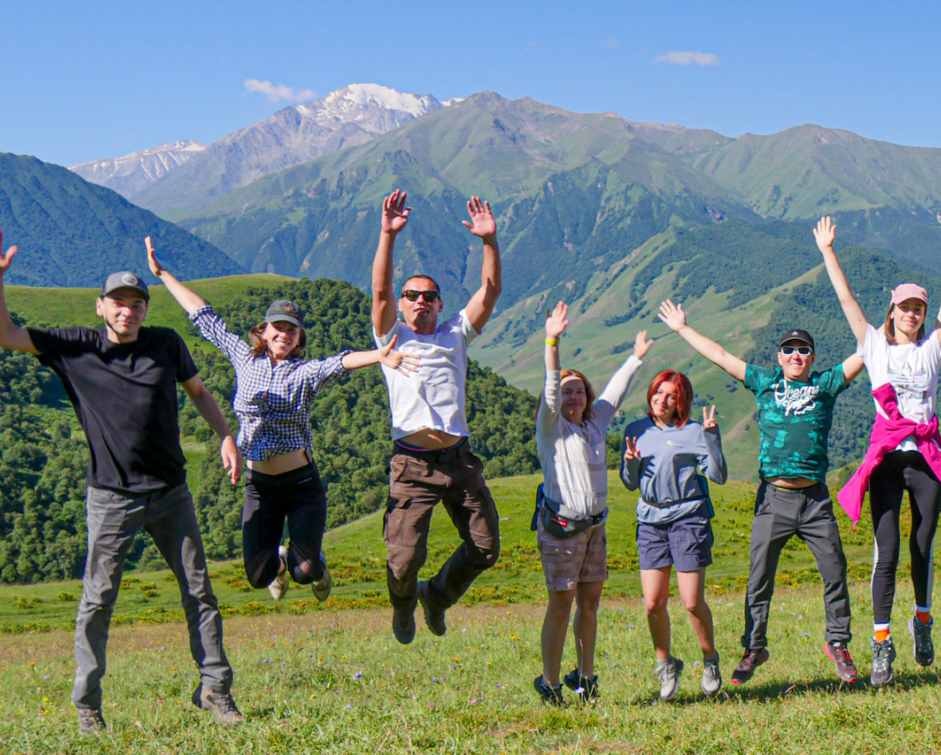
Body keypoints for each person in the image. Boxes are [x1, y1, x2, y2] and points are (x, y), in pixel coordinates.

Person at [0, 225, 244, 732]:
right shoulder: (74, 348)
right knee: (98, 599)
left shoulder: (166, 343)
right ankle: (87, 705)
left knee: (199, 592)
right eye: (118, 302)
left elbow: (199, 392)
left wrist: (225, 436)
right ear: (100, 307)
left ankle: (215, 691)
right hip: (112, 498)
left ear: (145, 309)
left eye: (136, 303)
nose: (128, 310)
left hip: (170, 492)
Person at [146, 238, 418, 603]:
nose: (284, 335)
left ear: (298, 337)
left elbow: (338, 362)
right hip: (260, 486)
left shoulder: (304, 373)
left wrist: (377, 356)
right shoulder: (244, 358)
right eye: (278, 327)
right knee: (257, 577)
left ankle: (314, 563)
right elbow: (204, 318)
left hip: (301, 483)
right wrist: (163, 274)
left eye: (291, 330)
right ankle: (276, 563)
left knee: (305, 572)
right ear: (264, 329)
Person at [657, 299, 866, 687]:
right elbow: (721, 355)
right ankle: (754, 648)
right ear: (779, 356)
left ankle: (838, 643)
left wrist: (891, 325)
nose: (796, 355)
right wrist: (683, 329)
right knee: (759, 578)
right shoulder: (765, 382)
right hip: (774, 498)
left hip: (816, 499)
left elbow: (867, 351)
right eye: (789, 349)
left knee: (835, 570)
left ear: (813, 357)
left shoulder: (827, 384)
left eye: (803, 349)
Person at [822, 210, 941, 687]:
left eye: (918, 309)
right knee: (884, 553)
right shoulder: (873, 346)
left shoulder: (932, 348)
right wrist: (828, 250)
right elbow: (846, 298)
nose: (911, 314)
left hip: (925, 458)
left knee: (922, 545)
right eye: (904, 307)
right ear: (891, 311)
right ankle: (882, 644)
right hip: (888, 459)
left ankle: (923, 624)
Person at [370, 189, 503, 644]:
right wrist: (387, 235)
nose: (420, 300)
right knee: (403, 560)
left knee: (485, 549)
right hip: (410, 466)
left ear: (441, 304)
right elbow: (379, 289)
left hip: (458, 461)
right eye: (412, 295)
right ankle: (404, 607)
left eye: (429, 296)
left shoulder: (456, 335)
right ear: (403, 305)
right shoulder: (391, 336)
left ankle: (438, 597)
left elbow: (491, 291)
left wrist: (489, 241)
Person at [532, 302, 649, 703]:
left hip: (595, 527)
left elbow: (616, 392)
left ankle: (584, 679)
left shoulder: (595, 421)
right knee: (562, 604)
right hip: (562, 529)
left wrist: (635, 358)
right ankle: (548, 682)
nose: (573, 397)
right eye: (567, 392)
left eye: (579, 390)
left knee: (591, 603)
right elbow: (550, 385)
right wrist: (552, 341)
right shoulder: (551, 428)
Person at [620, 369, 728, 700]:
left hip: (687, 518)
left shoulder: (694, 431)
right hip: (651, 520)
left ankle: (710, 660)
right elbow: (629, 482)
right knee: (653, 603)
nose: (662, 399)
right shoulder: (635, 430)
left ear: (681, 402)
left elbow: (719, 475)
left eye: (671, 396)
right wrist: (630, 463)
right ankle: (666, 664)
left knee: (692, 602)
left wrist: (712, 438)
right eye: (658, 392)